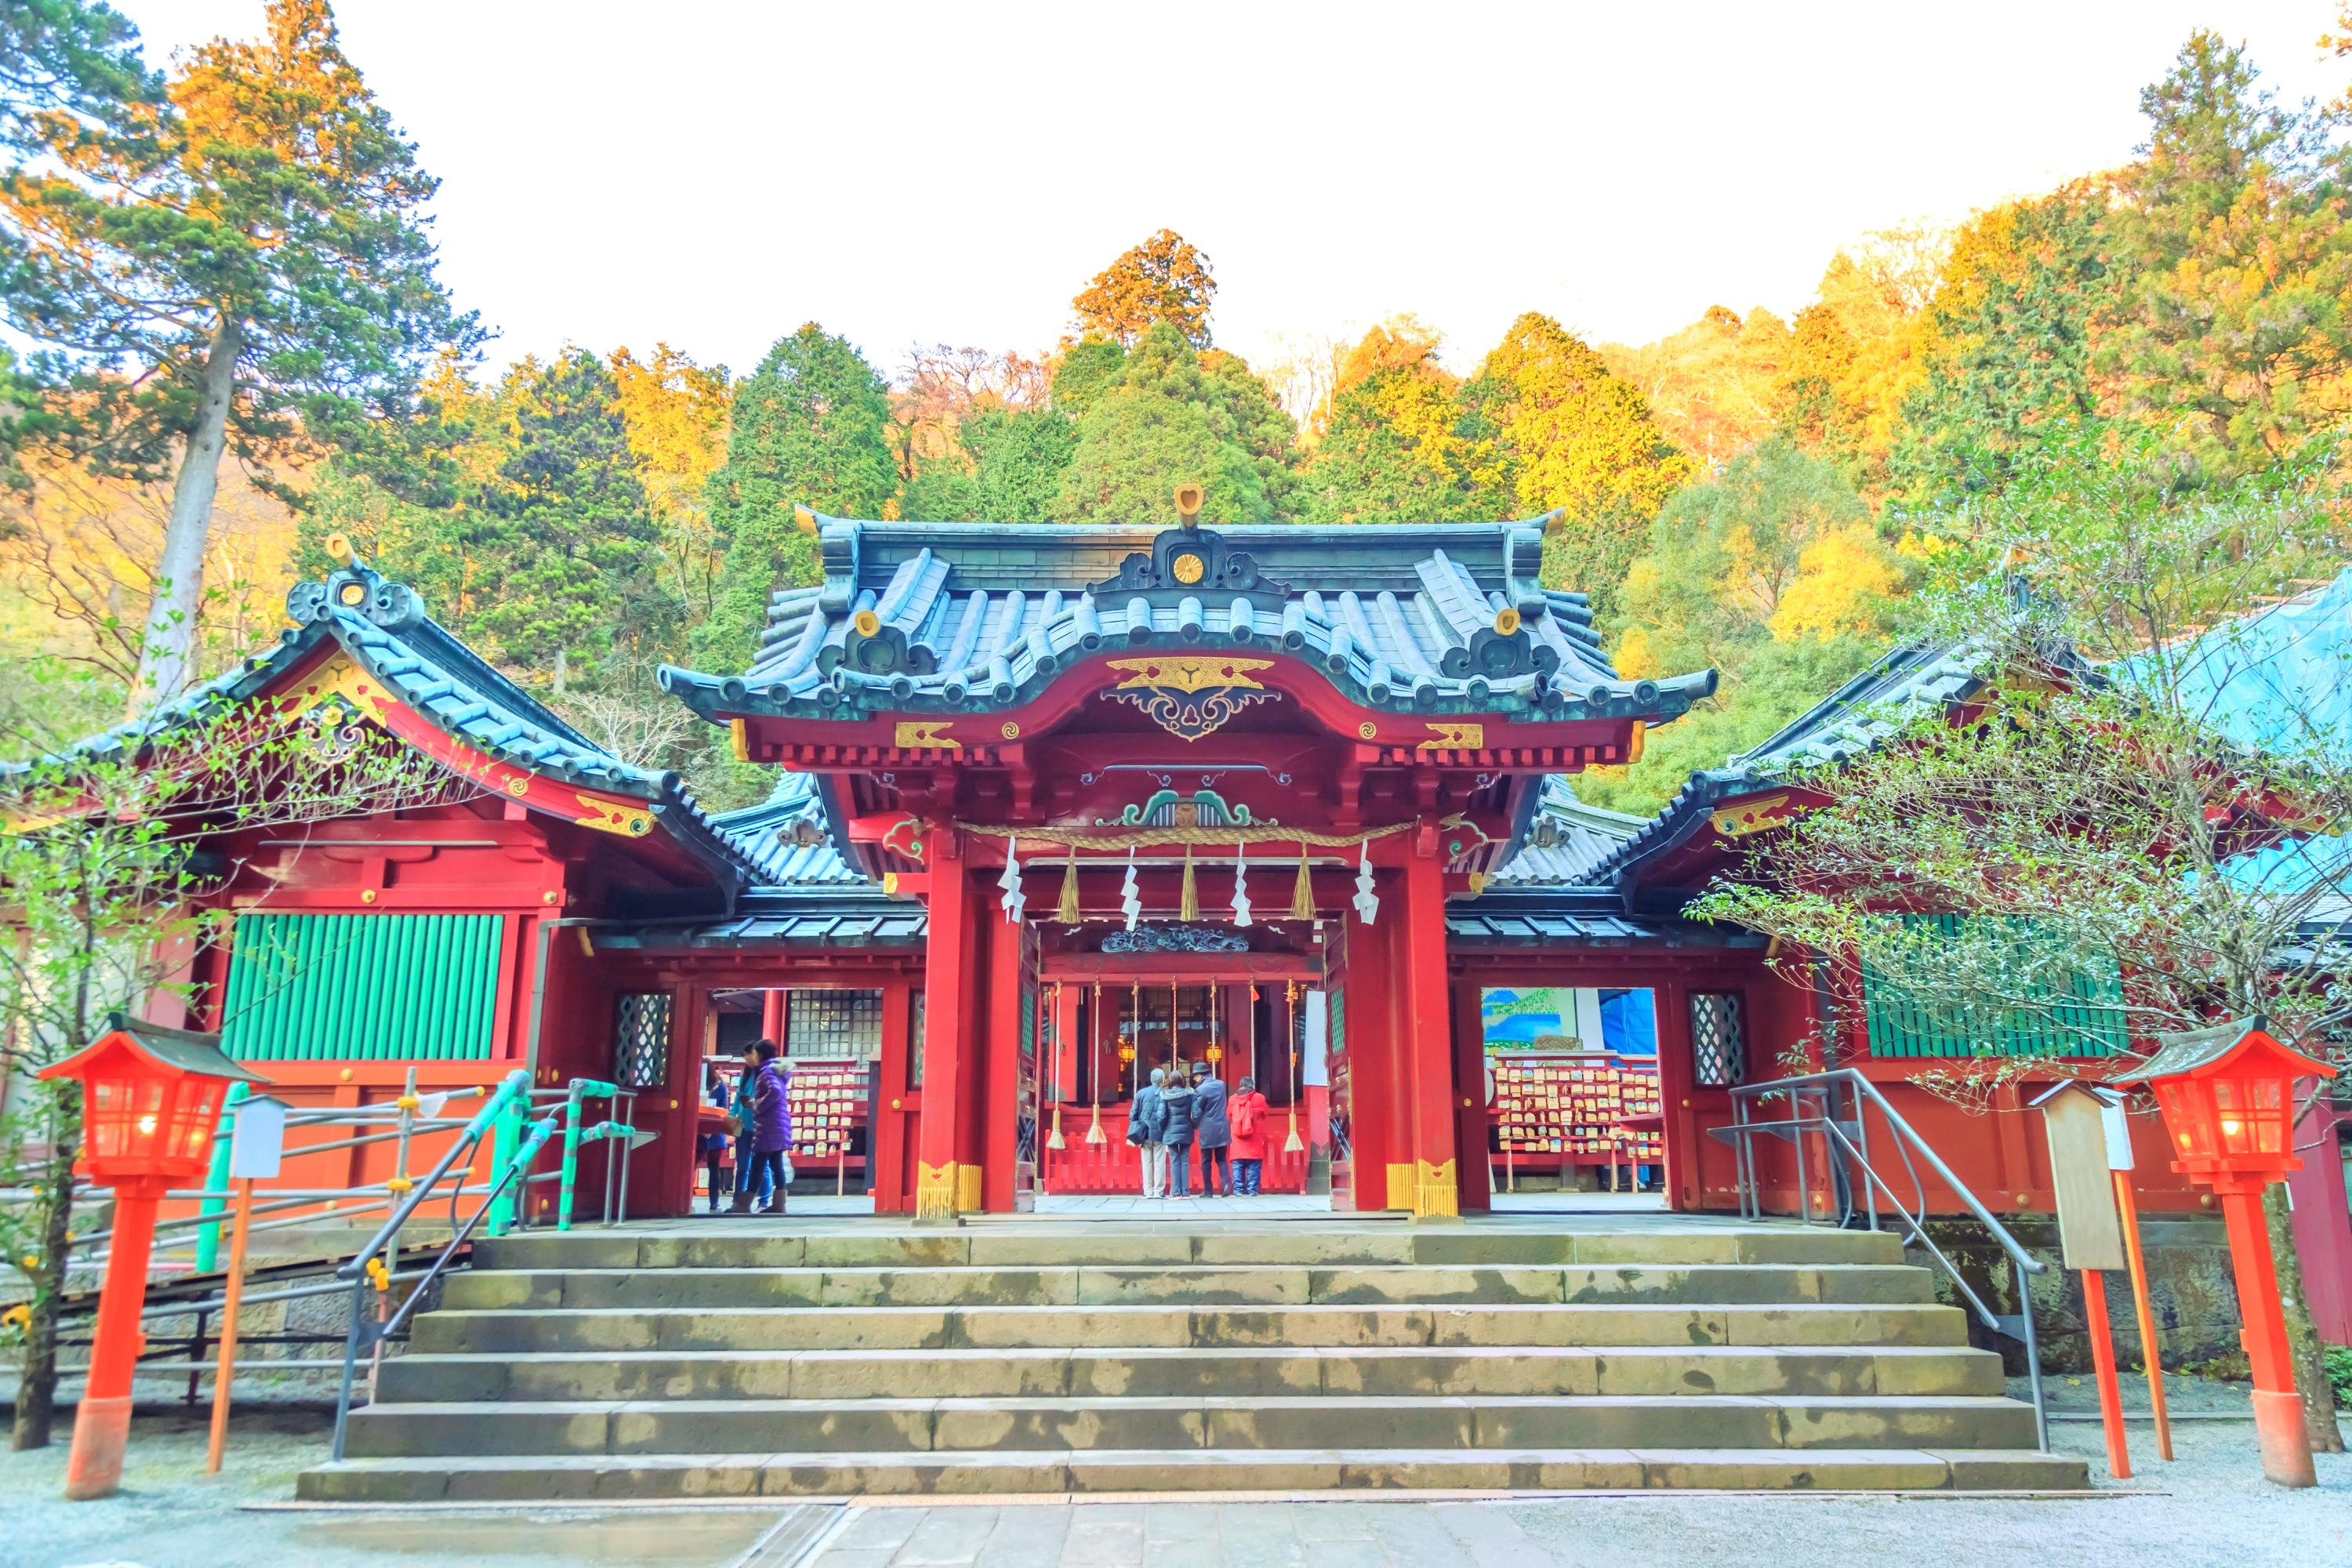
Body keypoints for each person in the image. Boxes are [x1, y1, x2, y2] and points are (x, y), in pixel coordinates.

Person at [749, 1039, 793, 1214]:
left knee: (758, 1165)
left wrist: (758, 1105)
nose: (752, 1057)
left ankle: (744, 1203)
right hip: (777, 1125)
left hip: (769, 1125)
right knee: (776, 1164)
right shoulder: (775, 1070)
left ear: (760, 1054)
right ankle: (779, 1204)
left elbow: (775, 1091)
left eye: (753, 1053)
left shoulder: (767, 1071)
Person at [728, 1044, 769, 1214]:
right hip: (744, 1124)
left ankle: (765, 1200)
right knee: (743, 1165)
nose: (747, 1059)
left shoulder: (766, 1072)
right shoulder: (745, 1073)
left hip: (760, 1125)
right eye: (745, 1057)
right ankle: (739, 1200)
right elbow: (739, 1095)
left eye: (749, 1055)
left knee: (761, 1165)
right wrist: (732, 1114)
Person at [1128, 1066, 1171, 1199]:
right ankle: (1158, 1191)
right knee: (1160, 1161)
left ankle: (1147, 1191)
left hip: (1144, 1131)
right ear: (1162, 1080)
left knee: (1146, 1161)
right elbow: (1168, 1114)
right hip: (1160, 1131)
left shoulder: (1141, 1093)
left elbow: (1133, 1114)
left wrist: (1135, 1128)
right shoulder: (1166, 1093)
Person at [1191, 1063, 1231, 1197]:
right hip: (1222, 1126)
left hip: (1207, 1128)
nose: (1194, 1080)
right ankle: (1226, 1184)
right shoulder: (1221, 1085)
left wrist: (1194, 1124)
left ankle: (1208, 1190)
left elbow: (1196, 1112)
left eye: (1195, 1077)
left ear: (1200, 1075)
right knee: (1221, 1159)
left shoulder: (1200, 1091)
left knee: (1206, 1161)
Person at [699, 1061, 734, 1214]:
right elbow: (724, 1110)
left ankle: (713, 1202)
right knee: (714, 1170)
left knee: (693, 1166)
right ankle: (714, 1203)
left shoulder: (696, 1084)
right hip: (715, 1131)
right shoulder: (721, 1086)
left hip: (699, 1130)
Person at [1227, 1075, 1270, 1196]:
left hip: (1237, 1138)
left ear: (1240, 1085)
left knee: (1237, 1166)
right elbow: (1265, 1113)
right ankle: (1252, 1190)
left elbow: (1229, 1115)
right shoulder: (1260, 1098)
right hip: (1254, 1137)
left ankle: (1238, 1190)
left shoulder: (1232, 1100)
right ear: (1252, 1085)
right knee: (1254, 1165)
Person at [1160, 1064, 1198, 1198]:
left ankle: (1175, 1192)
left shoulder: (1165, 1095)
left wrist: (1163, 1129)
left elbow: (1161, 1115)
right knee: (1185, 1160)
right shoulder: (1190, 1094)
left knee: (1174, 1161)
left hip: (1170, 1131)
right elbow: (1196, 1113)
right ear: (1183, 1081)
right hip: (1186, 1130)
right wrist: (1194, 1126)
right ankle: (1185, 1192)